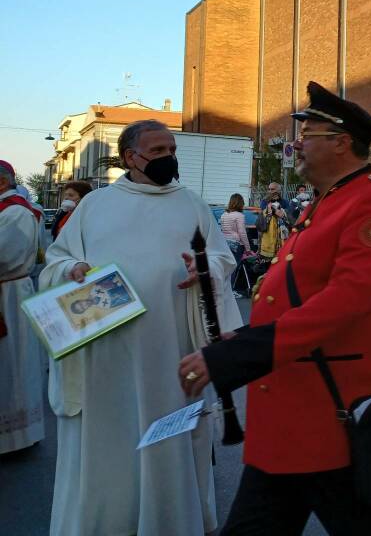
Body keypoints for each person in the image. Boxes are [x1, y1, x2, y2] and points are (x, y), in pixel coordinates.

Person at [178, 82, 371, 535]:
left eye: (306, 135)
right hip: (296, 414)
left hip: (335, 413)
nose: (296, 145)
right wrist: (243, 338)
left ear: (341, 143)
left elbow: (343, 304)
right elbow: (291, 294)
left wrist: (238, 355)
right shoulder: (326, 204)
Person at [41, 120, 241, 536]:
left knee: (168, 433)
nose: (169, 157)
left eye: (172, 148)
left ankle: (168, 520)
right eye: (158, 150)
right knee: (110, 436)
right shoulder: (95, 206)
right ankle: (109, 520)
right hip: (107, 349)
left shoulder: (191, 203)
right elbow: (57, 260)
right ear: (131, 158)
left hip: (171, 346)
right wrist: (73, 268)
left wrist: (201, 268)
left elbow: (223, 260)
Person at [0, 159, 45, 456]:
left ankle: (16, 436)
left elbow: (6, 254)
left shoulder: (15, 211)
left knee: (12, 364)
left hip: (9, 294)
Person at [257, 182, 290, 259]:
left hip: (281, 235)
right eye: (269, 189)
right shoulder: (264, 201)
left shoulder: (285, 202)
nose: (270, 191)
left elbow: (288, 217)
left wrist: (282, 212)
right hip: (268, 235)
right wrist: (274, 210)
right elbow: (263, 216)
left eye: (272, 189)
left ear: (279, 190)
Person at [220, 193, 250, 264]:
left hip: (225, 243)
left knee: (227, 267)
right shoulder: (240, 216)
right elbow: (242, 233)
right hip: (236, 244)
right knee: (234, 267)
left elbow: (222, 229)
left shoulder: (224, 214)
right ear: (240, 203)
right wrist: (248, 248)